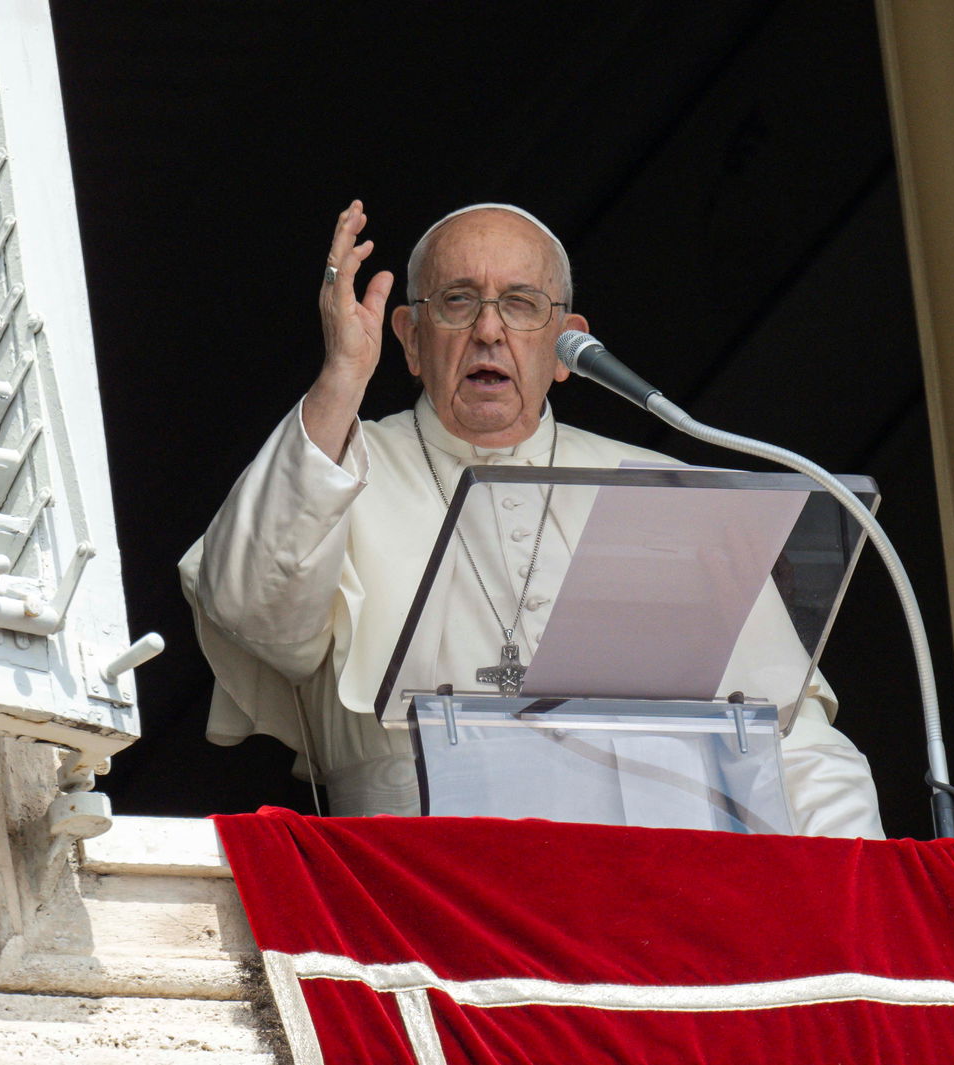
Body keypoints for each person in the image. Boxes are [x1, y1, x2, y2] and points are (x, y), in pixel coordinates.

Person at [179, 200, 884, 837]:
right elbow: (254, 610)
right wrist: (340, 380)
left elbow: (795, 747)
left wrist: (861, 910)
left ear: (567, 344)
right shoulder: (335, 465)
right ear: (411, 338)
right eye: (458, 301)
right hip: (418, 894)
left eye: (520, 304)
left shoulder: (660, 491)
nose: (489, 330)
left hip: (656, 906)